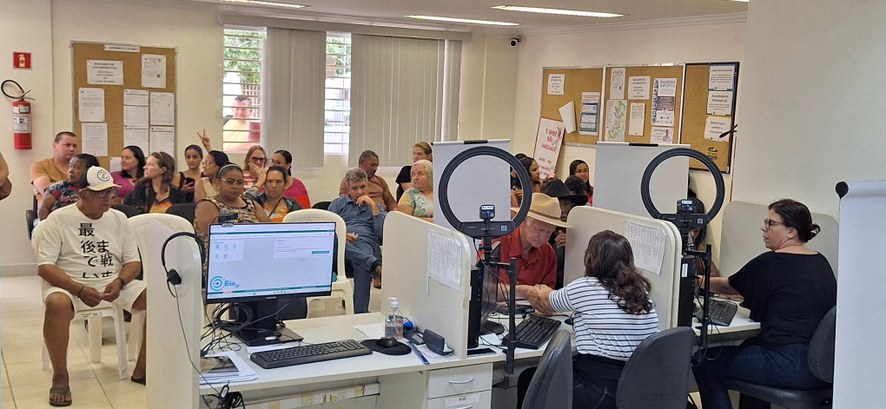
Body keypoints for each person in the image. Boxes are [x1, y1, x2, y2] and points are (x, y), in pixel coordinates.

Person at [693, 199, 837, 409]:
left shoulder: (771, 262)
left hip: (786, 364)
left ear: (791, 231)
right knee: (749, 347)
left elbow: (729, 286)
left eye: (771, 223)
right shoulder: (820, 261)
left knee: (704, 361)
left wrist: (696, 281)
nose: (764, 228)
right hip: (819, 367)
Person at [34, 166, 148, 406]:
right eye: (100, 193)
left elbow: (133, 262)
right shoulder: (59, 219)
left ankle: (143, 368)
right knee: (56, 303)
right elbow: (45, 267)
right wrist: (78, 289)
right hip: (70, 284)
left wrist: (120, 281)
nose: (108, 199)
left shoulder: (119, 219)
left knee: (160, 298)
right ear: (83, 194)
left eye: (110, 192)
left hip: (112, 283)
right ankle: (60, 377)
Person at [519, 230, 659, 409]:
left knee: (528, 379)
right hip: (634, 390)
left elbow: (548, 302)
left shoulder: (587, 286)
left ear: (591, 258)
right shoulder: (640, 291)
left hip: (598, 389)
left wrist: (538, 290)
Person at [329, 168, 386, 311]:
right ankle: (374, 265)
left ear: (368, 186)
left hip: (365, 242)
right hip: (340, 244)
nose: (359, 192)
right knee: (334, 241)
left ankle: (359, 312)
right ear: (347, 188)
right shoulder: (337, 204)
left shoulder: (377, 207)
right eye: (354, 188)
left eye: (363, 187)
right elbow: (328, 230)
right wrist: (341, 234)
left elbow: (381, 234)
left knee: (363, 263)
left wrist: (373, 206)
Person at [194, 164, 272, 266]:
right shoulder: (207, 205)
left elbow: (270, 231)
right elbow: (220, 237)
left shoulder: (251, 204)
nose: (235, 186)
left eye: (239, 183)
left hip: (253, 257)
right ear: (218, 183)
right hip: (219, 261)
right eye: (230, 182)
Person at [492, 193, 567, 289]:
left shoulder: (548, 253)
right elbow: (484, 288)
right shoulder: (497, 243)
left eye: (549, 233)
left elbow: (547, 291)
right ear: (524, 221)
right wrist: (524, 292)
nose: (543, 238)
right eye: (540, 230)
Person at [542, 179, 588, 288]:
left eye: (566, 204)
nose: (563, 210)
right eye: (558, 205)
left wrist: (574, 245)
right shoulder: (541, 232)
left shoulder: (578, 230)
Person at [38, 153, 100, 220]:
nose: (70, 171)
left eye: (77, 167)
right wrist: (47, 224)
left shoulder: (99, 189)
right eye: (70, 166)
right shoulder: (59, 187)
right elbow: (44, 208)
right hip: (59, 224)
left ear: (90, 171)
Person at [123, 152, 188, 213]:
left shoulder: (178, 194)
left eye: (150, 165)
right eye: (146, 164)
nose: (144, 167)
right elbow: (138, 215)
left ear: (162, 170)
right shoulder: (141, 189)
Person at [31, 131, 78, 203]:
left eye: (74, 146)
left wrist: (55, 185)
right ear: (55, 146)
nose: (72, 149)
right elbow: (47, 191)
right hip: (51, 208)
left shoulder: (83, 167)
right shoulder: (40, 166)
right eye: (67, 145)